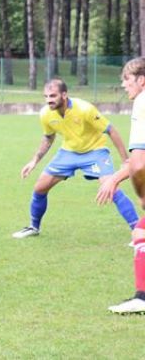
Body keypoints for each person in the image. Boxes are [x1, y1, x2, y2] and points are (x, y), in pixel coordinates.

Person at [12, 78, 138, 239]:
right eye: (46, 96)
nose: (48, 100)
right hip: (68, 153)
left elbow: (111, 130)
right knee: (39, 188)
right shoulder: (45, 114)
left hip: (95, 151)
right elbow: (48, 138)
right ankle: (33, 227)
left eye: (53, 96)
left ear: (64, 95)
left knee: (111, 188)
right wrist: (34, 160)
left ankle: (138, 231)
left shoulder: (84, 109)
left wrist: (125, 160)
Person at [96, 57, 145, 314]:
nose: (124, 85)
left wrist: (142, 193)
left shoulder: (141, 102)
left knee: (142, 231)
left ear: (141, 80)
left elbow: (138, 163)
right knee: (141, 232)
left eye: (126, 79)